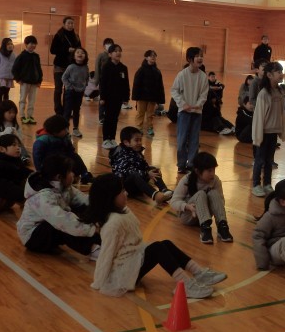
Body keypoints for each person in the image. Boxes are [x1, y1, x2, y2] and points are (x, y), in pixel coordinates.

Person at [84, 174, 226, 299]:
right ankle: (185, 284)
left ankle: (199, 273)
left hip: (133, 259)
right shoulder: (112, 224)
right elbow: (106, 254)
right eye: (121, 191)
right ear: (110, 197)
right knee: (158, 249)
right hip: (123, 273)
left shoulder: (122, 212)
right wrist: (98, 281)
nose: (126, 193)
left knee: (165, 243)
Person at [16, 154, 100, 258]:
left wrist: (102, 205)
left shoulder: (63, 186)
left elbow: (82, 199)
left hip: (51, 223)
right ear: (59, 177)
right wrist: (91, 229)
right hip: (33, 237)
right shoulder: (42, 197)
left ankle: (101, 239)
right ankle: (92, 249)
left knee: (82, 209)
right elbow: (62, 221)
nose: (73, 174)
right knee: (62, 225)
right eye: (70, 172)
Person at [170, 152, 233, 244]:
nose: (212, 173)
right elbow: (173, 201)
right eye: (209, 171)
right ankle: (205, 230)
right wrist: (187, 206)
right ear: (197, 171)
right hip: (190, 216)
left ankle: (222, 226)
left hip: (206, 215)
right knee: (201, 194)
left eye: (213, 170)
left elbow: (221, 201)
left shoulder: (215, 181)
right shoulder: (187, 180)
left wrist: (213, 207)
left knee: (214, 193)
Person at [109, 127, 173, 205]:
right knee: (134, 175)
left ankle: (164, 190)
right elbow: (127, 172)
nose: (139, 142)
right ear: (126, 142)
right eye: (136, 140)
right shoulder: (121, 154)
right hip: (126, 187)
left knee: (153, 169)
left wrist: (149, 171)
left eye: (140, 140)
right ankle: (155, 195)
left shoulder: (136, 151)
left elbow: (144, 166)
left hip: (138, 183)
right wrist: (146, 173)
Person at [252, 62, 285, 197]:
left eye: (281, 71)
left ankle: (267, 183)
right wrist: (258, 135)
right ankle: (256, 185)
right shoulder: (263, 93)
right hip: (264, 132)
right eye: (278, 72)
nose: (281, 74)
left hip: (273, 132)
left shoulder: (280, 92)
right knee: (260, 160)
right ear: (269, 75)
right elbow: (259, 116)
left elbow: (282, 113)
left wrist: (282, 130)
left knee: (269, 160)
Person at [171, 47, 208, 174]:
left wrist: (198, 105)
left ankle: (191, 164)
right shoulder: (182, 75)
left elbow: (204, 94)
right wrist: (183, 104)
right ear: (189, 59)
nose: (200, 58)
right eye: (197, 56)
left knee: (194, 140)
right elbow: (174, 91)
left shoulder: (203, 76)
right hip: (184, 113)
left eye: (201, 56)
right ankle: (181, 164)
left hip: (197, 113)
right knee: (181, 140)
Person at [32, 115, 93, 183]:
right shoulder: (42, 140)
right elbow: (37, 158)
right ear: (55, 131)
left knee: (75, 156)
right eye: (64, 129)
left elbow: (71, 151)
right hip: (51, 166)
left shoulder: (65, 137)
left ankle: (85, 175)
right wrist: (40, 172)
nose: (67, 131)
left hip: (63, 162)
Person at [100, 44, 130, 150]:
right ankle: (105, 139)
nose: (118, 53)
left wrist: (126, 97)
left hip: (118, 98)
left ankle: (112, 138)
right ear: (110, 54)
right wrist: (102, 97)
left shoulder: (123, 68)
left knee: (115, 118)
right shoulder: (106, 67)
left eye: (119, 51)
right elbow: (103, 83)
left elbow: (126, 84)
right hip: (108, 98)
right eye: (115, 51)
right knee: (108, 118)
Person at [50, 17, 81, 116]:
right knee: (58, 89)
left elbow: (79, 50)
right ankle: (58, 110)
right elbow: (52, 50)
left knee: (68, 90)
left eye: (72, 23)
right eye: (69, 23)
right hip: (59, 66)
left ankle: (66, 110)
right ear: (64, 24)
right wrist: (67, 50)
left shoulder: (76, 36)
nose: (71, 25)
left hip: (71, 66)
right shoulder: (58, 35)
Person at [131, 50, 165, 137]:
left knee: (150, 114)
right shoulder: (141, 70)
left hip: (152, 97)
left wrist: (160, 99)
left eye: (154, 56)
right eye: (151, 55)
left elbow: (160, 86)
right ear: (146, 58)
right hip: (142, 97)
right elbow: (136, 84)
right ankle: (139, 128)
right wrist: (136, 97)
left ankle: (150, 128)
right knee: (140, 113)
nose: (153, 57)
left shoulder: (157, 71)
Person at [12, 35, 43, 125]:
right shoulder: (22, 56)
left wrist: (39, 80)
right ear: (26, 44)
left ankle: (30, 116)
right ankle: (22, 116)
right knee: (23, 99)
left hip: (34, 83)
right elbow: (14, 69)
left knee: (32, 100)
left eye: (34, 44)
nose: (33, 45)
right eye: (31, 43)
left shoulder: (36, 56)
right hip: (24, 82)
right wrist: (18, 79)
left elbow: (39, 69)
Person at [0, 134, 32, 211]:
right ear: (2, 149)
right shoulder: (0, 164)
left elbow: (23, 172)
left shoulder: (15, 160)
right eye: (14, 145)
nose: (18, 148)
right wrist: (22, 194)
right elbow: (3, 185)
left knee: (29, 179)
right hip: (3, 195)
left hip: (9, 198)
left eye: (19, 145)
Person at [61, 47, 89, 138]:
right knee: (67, 111)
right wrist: (69, 87)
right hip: (70, 92)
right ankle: (65, 130)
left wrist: (84, 86)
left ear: (85, 56)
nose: (80, 54)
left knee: (77, 110)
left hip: (79, 92)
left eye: (82, 53)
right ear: (74, 56)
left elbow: (87, 78)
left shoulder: (85, 67)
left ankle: (75, 129)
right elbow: (64, 78)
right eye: (78, 52)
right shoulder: (71, 67)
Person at [94, 38, 114, 124]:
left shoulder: (113, 56)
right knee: (103, 99)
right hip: (103, 80)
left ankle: (108, 115)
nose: (109, 45)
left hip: (112, 81)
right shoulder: (101, 55)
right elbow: (97, 68)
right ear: (104, 46)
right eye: (107, 43)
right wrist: (97, 80)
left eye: (110, 43)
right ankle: (101, 117)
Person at [0, 38, 16, 102]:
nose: (10, 45)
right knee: (0, 94)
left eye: (11, 44)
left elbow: (15, 66)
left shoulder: (13, 55)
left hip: (9, 78)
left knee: (6, 94)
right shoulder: (0, 54)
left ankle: (5, 106)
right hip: (1, 78)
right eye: (8, 44)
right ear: (4, 45)